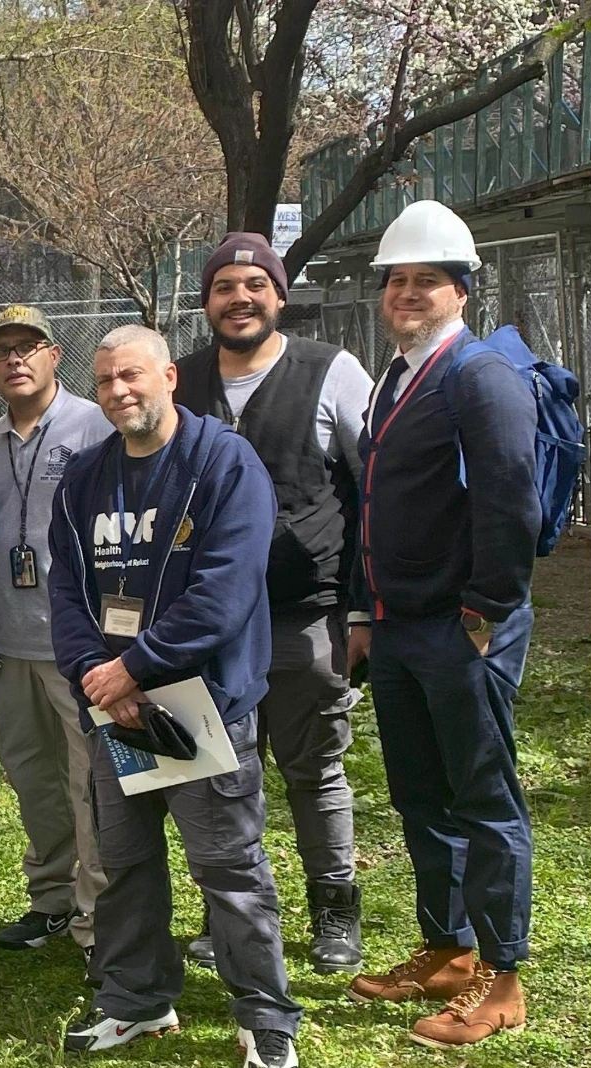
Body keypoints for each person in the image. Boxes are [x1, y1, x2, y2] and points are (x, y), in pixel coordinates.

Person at [49, 325, 300, 1068]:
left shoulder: (224, 462)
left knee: (228, 868)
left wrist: (137, 667)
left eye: (132, 376)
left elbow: (224, 593)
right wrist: (100, 673)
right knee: (125, 863)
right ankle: (137, 1000)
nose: (119, 392)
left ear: (168, 376)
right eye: (105, 383)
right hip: (119, 708)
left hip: (200, 704)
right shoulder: (86, 478)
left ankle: (266, 1020)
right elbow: (66, 593)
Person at [344, 201, 539, 1048]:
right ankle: (447, 948)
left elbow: (510, 500)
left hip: (462, 627)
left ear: (462, 291)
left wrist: (486, 609)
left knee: (484, 800)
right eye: (397, 280)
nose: (409, 292)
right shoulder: (396, 373)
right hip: (396, 626)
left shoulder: (479, 375)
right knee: (422, 794)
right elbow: (375, 503)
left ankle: (503, 978)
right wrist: (364, 610)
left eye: (428, 280)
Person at [173, 234, 373, 974]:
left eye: (255, 283)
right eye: (224, 286)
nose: (240, 298)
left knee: (314, 768)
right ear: (208, 301)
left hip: (303, 613)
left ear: (279, 294)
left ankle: (335, 909)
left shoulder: (332, 371)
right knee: (218, 772)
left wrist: (359, 610)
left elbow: (370, 491)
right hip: (207, 624)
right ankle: (231, 909)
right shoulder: (182, 381)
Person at [0, 306, 111, 963]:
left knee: (92, 785)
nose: (15, 360)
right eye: (2, 351)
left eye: (28, 347)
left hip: (78, 647)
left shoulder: (94, 426)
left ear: (54, 355)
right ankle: (52, 900)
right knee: (32, 780)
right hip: (8, 642)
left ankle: (99, 925)